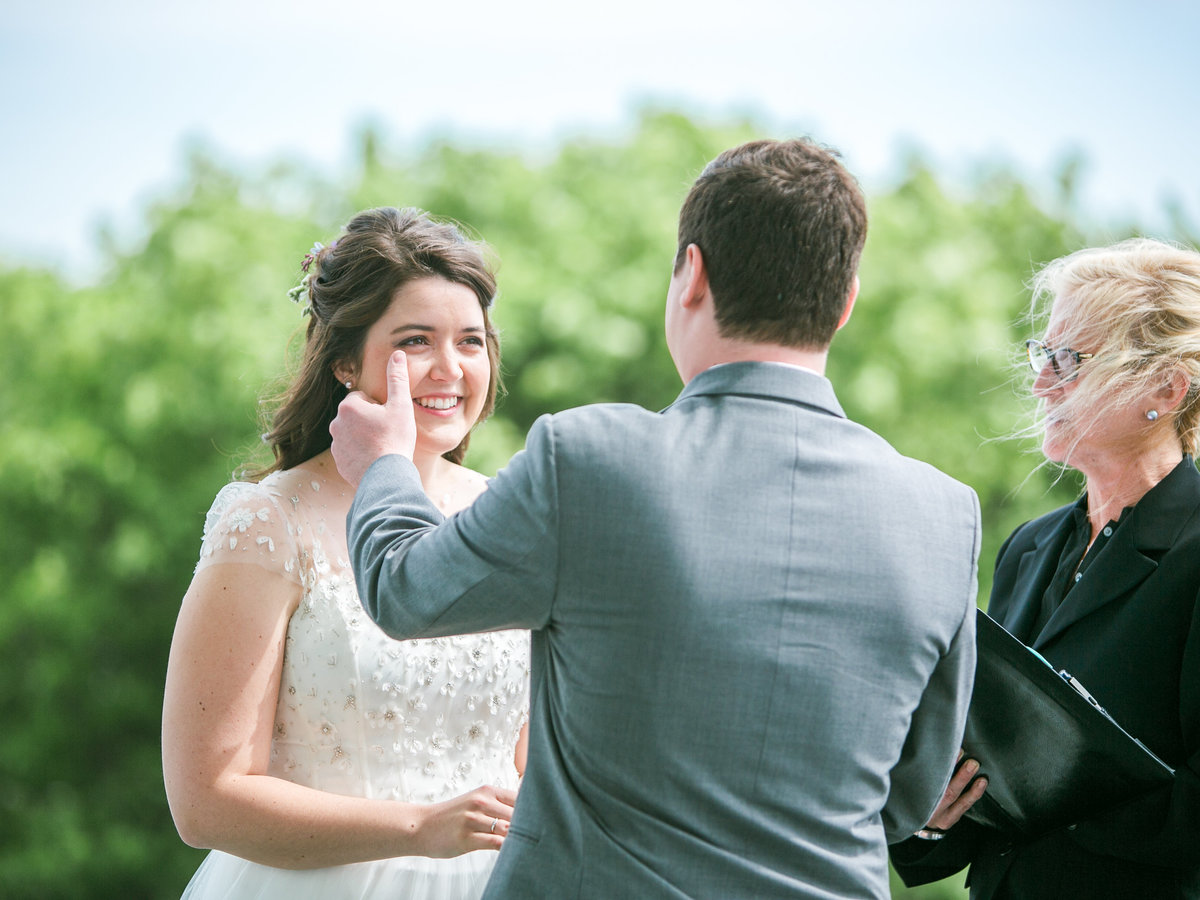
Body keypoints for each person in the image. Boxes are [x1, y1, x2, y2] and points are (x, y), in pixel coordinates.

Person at [330, 139, 982, 899]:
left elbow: (407, 589)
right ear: (846, 301)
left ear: (692, 276)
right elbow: (906, 798)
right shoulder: (944, 514)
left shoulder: (590, 458)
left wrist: (385, 463)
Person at [162, 207, 530, 900]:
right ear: (342, 359)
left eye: (471, 342)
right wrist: (419, 827)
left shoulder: (510, 510)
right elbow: (204, 799)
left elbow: (530, 760)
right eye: (415, 341)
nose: (450, 369)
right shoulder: (269, 521)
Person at [892, 238, 1200, 898]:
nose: (1040, 381)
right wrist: (934, 814)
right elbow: (988, 771)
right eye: (1044, 354)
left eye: (1069, 359)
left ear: (1166, 389)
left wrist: (1050, 799)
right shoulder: (1027, 547)